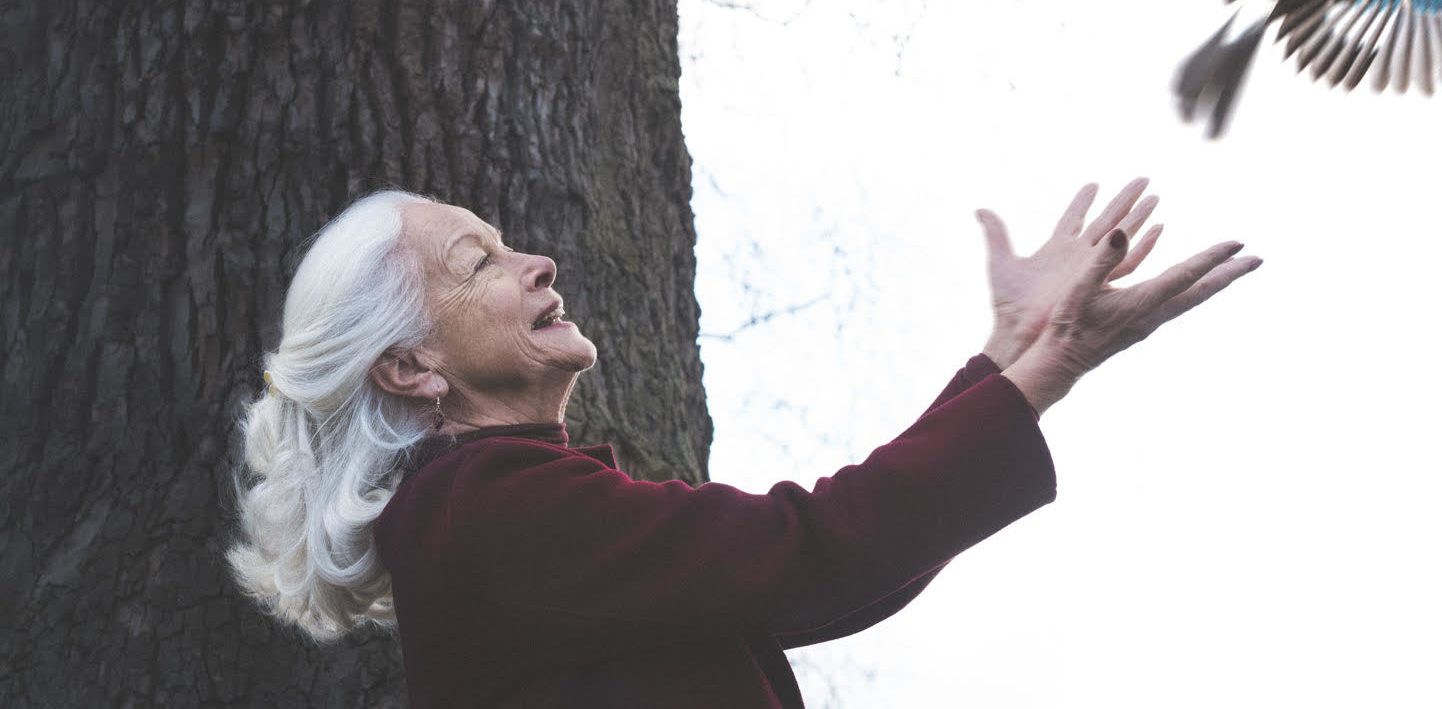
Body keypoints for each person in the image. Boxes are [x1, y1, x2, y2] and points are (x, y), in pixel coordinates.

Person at [229, 179, 1260, 707]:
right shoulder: (482, 509)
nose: (537, 261)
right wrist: (1040, 367)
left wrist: (1008, 359)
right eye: (480, 261)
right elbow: (810, 551)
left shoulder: (500, 509)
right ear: (409, 365)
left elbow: (827, 577)